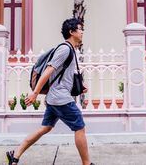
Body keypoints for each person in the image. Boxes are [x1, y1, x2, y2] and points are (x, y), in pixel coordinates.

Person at [6, 18, 94, 165]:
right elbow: (48, 71)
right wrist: (35, 93)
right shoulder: (65, 49)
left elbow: (63, 74)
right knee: (80, 127)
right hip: (61, 98)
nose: (82, 31)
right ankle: (87, 163)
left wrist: (79, 85)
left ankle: (15, 155)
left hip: (54, 98)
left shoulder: (70, 49)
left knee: (45, 128)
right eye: (79, 29)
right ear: (71, 32)